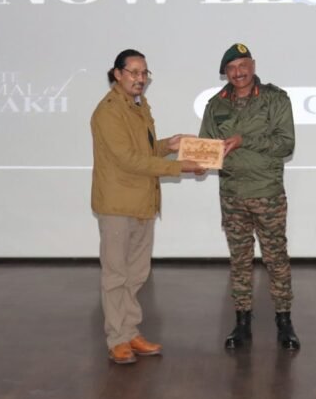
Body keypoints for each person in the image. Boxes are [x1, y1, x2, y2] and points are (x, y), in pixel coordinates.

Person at [91, 48, 205, 365]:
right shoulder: (108, 112)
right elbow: (128, 160)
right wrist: (180, 166)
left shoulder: (140, 106)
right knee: (116, 275)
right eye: (134, 72)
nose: (140, 78)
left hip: (143, 201)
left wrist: (168, 145)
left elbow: (144, 150)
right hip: (118, 205)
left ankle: (130, 332)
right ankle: (117, 339)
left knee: (136, 274)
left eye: (144, 73)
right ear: (117, 74)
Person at [198, 43, 300, 351]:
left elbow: (286, 144)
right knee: (239, 261)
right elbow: (206, 146)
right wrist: (198, 160)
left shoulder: (275, 99)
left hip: (267, 193)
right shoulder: (216, 105)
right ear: (225, 73)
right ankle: (242, 322)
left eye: (243, 65)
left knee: (276, 259)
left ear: (253, 65)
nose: (238, 73)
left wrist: (244, 140)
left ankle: (284, 321)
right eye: (231, 68)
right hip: (232, 195)